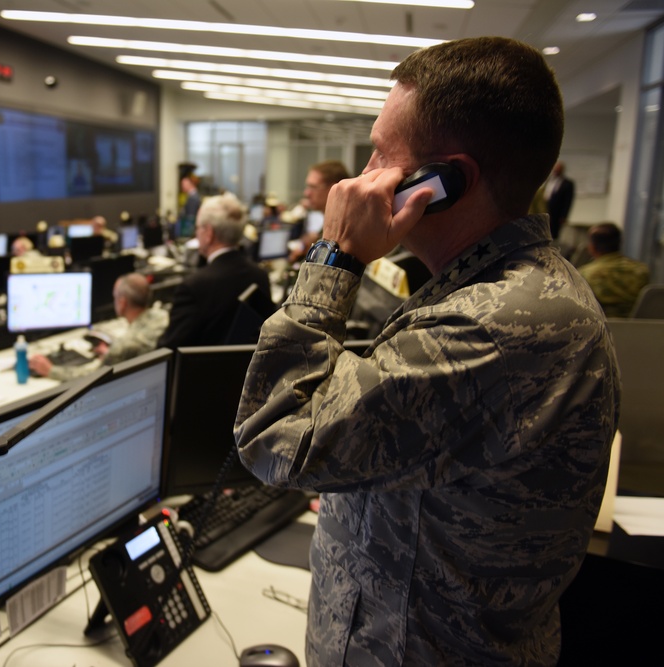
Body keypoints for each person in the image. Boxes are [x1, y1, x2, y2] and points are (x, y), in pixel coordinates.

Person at [234, 36, 620, 666]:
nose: (360, 179)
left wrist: (336, 256)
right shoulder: (499, 291)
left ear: (442, 183)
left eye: (381, 155)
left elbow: (274, 437)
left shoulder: (493, 324)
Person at [157, 192, 275, 348]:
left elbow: (168, 349)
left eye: (198, 228)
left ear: (209, 234)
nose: (196, 233)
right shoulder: (260, 275)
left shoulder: (193, 287)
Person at [29, 273, 168, 381]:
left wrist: (50, 370)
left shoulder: (123, 347)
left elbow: (91, 377)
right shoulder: (162, 316)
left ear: (123, 302)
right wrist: (112, 354)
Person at [578, 223, 650, 317]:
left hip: (600, 328)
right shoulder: (641, 270)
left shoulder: (584, 274)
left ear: (592, 247)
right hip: (638, 328)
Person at [544, 160, 575, 241]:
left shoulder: (567, 183)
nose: (556, 171)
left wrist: (564, 216)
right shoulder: (549, 181)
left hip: (557, 212)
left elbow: (568, 201)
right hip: (546, 209)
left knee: (554, 232)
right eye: (555, 169)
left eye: (558, 169)